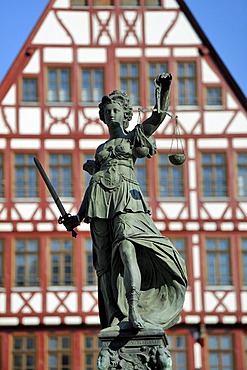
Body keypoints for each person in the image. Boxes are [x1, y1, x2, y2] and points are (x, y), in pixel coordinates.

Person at [64, 73, 187, 330]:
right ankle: (114, 315)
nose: (111, 114)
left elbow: (158, 118)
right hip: (99, 203)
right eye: (107, 111)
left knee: (128, 247)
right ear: (103, 116)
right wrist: (78, 216)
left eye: (116, 110)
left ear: (125, 114)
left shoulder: (132, 138)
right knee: (105, 265)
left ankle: (133, 308)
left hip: (126, 198)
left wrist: (162, 91)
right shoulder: (101, 149)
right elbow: (93, 184)